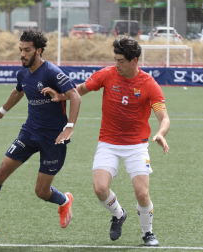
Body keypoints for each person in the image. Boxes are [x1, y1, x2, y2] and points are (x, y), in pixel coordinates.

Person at [41, 36, 170, 246]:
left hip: (136, 146)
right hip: (108, 143)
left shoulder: (149, 84)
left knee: (142, 193)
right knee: (100, 188)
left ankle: (148, 233)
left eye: (121, 61)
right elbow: (80, 90)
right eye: (115, 60)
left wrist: (161, 133)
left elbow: (164, 118)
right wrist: (61, 96)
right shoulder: (107, 74)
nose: (116, 65)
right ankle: (119, 214)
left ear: (134, 61)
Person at [0, 29, 81, 237]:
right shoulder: (22, 73)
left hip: (53, 139)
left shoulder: (52, 72)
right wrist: (2, 111)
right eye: (20, 49)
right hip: (29, 133)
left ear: (38, 51)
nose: (22, 54)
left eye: (27, 50)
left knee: (41, 192)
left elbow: (75, 96)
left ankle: (64, 200)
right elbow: (19, 91)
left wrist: (69, 126)